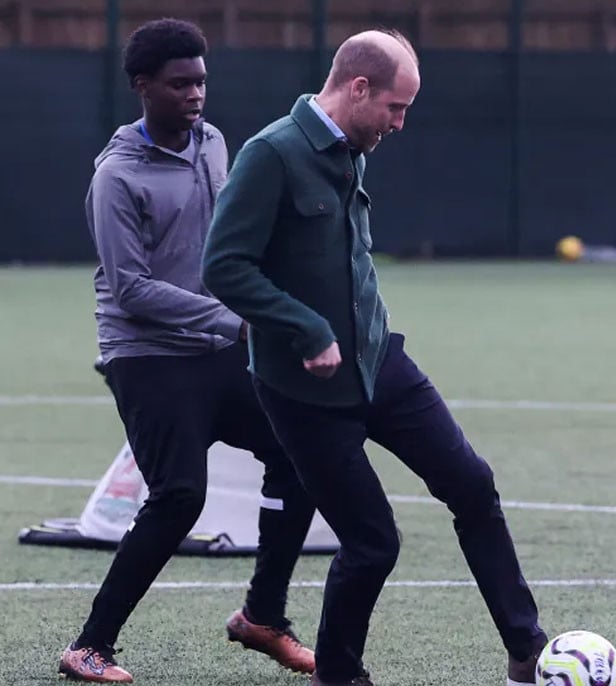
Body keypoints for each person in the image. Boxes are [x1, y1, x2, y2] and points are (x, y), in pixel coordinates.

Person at [201, 29, 548, 686]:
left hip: (379, 363)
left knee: (472, 486)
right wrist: (304, 328)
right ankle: (339, 676)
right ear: (358, 89)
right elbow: (222, 266)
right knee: (372, 543)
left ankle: (527, 649)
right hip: (302, 392)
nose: (400, 122)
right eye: (395, 107)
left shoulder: (352, 147)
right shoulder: (270, 154)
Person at [61, 18, 318, 683]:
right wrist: (234, 322)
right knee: (179, 496)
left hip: (216, 341)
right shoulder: (116, 177)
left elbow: (226, 244)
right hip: (146, 354)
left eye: (201, 81)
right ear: (143, 87)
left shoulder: (214, 143)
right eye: (180, 84)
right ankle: (89, 647)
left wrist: (263, 300)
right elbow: (131, 288)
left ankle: (264, 617)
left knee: (299, 452)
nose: (196, 94)